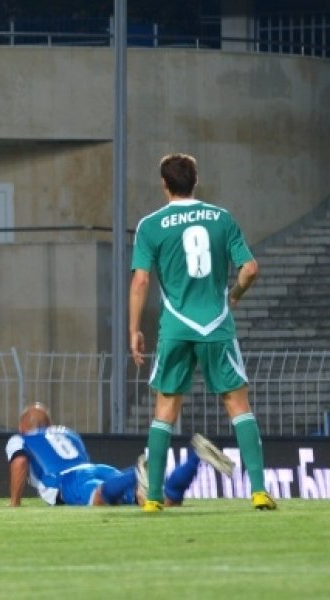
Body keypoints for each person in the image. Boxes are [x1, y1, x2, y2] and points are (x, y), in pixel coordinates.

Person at [129, 153, 276, 512]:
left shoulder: (150, 225)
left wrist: (134, 328)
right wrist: (234, 295)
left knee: (166, 408)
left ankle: (152, 499)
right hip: (215, 325)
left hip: (176, 327)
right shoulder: (221, 219)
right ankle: (258, 491)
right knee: (237, 404)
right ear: (196, 181)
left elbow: (141, 280)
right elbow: (250, 269)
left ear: (165, 185)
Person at [6, 403, 235, 508]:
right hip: (99, 469)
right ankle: (197, 457)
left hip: (70, 479)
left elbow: (20, 461)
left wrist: (15, 503)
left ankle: (136, 472)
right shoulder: (68, 433)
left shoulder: (22, 438)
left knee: (98, 499)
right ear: (50, 424)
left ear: (22, 426)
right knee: (166, 501)